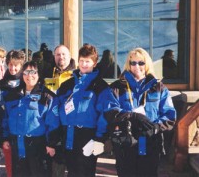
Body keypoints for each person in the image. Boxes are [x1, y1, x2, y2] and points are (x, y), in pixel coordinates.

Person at [108, 47, 176, 177]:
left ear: (147, 64)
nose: (136, 66)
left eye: (141, 63)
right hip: (125, 142)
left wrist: (156, 128)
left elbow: (169, 115)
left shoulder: (158, 87)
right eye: (133, 63)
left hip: (150, 141)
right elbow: (110, 110)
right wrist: (132, 116)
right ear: (128, 64)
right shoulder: (117, 87)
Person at [57, 44, 120, 177]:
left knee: (85, 172)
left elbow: (107, 113)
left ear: (95, 63)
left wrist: (99, 138)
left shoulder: (100, 87)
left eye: (88, 61)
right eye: (81, 61)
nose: (84, 64)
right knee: (71, 172)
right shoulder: (67, 85)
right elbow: (56, 110)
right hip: (67, 135)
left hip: (87, 137)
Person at [2, 61, 60, 177]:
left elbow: (53, 123)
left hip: (38, 147)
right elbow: (5, 118)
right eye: (26, 72)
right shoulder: (11, 95)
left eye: (33, 72)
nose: (29, 76)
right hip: (16, 145)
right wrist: (5, 138)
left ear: (39, 74)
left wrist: (51, 144)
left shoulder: (47, 96)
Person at [44, 45, 76, 177]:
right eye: (58, 54)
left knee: (74, 170)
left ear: (69, 57)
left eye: (64, 54)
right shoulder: (46, 74)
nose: (61, 57)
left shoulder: (76, 75)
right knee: (54, 170)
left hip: (70, 127)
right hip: (52, 128)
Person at [0, 49, 26, 177]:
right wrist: (4, 137)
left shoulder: (27, 83)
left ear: (21, 66)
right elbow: (0, 113)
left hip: (26, 133)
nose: (12, 68)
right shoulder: (0, 85)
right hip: (8, 132)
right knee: (11, 169)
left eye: (16, 65)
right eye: (10, 64)